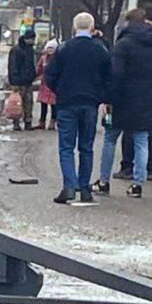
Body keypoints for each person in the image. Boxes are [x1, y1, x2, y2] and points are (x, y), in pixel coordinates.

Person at [92, 9, 152, 199]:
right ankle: (137, 184)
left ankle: (104, 181)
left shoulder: (123, 44)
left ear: (129, 23)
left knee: (110, 139)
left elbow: (116, 74)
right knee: (141, 140)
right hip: (147, 98)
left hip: (121, 99)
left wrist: (108, 99)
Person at [45, 12, 111, 204]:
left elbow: (50, 75)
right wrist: (101, 97)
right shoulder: (100, 50)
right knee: (86, 147)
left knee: (66, 147)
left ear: (74, 27)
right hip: (90, 103)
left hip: (67, 103)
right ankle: (85, 188)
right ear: (92, 27)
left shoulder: (64, 49)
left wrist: (60, 91)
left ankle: (69, 186)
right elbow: (109, 77)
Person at [113, 11, 152, 181]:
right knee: (150, 130)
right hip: (151, 92)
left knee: (129, 130)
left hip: (128, 93)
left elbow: (117, 72)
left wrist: (113, 94)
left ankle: (127, 166)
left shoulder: (125, 42)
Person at [7, 29, 37, 131]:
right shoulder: (17, 50)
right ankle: (17, 123)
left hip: (28, 81)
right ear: (28, 39)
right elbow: (13, 66)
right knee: (18, 103)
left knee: (28, 102)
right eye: (33, 39)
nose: (34, 41)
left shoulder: (29, 50)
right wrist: (14, 82)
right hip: (19, 82)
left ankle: (27, 122)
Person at [35, 39, 58, 130]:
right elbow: (39, 68)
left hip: (54, 84)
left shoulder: (58, 59)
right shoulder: (43, 58)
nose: (50, 50)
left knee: (54, 105)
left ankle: (52, 122)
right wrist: (34, 75)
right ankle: (42, 122)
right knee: (43, 104)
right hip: (44, 84)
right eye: (49, 48)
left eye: (52, 48)